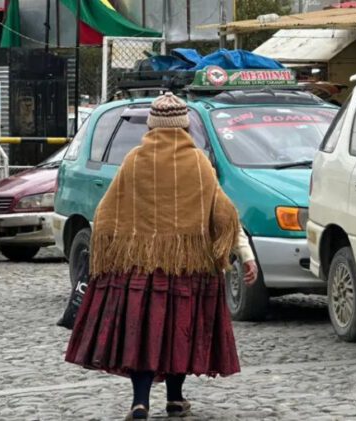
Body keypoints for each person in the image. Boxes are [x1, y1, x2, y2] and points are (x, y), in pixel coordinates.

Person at [65, 93, 258, 420]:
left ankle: (140, 402)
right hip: (188, 268)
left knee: (143, 334)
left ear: (152, 126)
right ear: (184, 126)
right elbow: (224, 214)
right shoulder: (198, 163)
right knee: (177, 331)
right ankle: (175, 397)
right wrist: (245, 254)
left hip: (140, 269)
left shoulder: (135, 160)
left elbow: (107, 211)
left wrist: (105, 255)